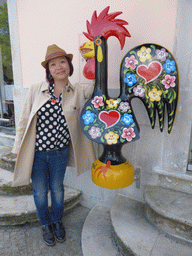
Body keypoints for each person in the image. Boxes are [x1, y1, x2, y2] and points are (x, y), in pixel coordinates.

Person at [12, 44, 96, 246]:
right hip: (37, 154)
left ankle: (57, 221)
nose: (59, 67)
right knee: (40, 191)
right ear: (48, 70)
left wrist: (90, 59)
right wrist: (17, 148)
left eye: (62, 62)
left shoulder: (77, 90)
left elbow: (95, 85)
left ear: (69, 65)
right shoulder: (36, 90)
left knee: (57, 189)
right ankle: (45, 224)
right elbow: (23, 120)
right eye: (53, 64)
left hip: (60, 153)